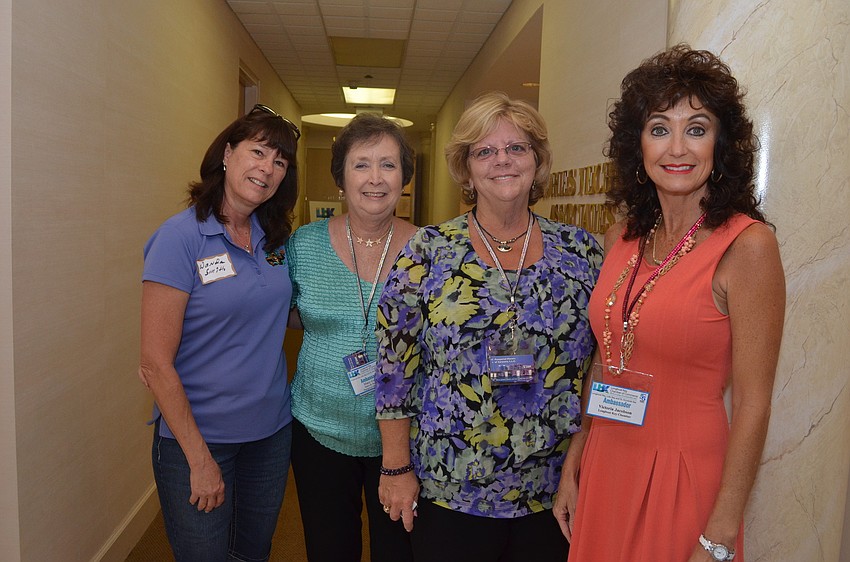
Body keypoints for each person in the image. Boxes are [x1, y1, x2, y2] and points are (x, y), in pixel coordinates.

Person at [554, 45, 785, 562]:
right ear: (637, 145)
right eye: (659, 128)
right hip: (607, 462)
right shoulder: (621, 237)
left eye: (696, 129)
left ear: (720, 144)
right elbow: (606, 355)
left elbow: (754, 405)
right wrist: (578, 455)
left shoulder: (747, 246)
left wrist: (719, 537)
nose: (677, 147)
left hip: (682, 475)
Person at [374, 91, 603, 561]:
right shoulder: (428, 251)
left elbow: (599, 364)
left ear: (537, 161)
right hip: (451, 484)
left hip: (554, 488)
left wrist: (580, 465)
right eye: (485, 151)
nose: (502, 160)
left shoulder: (581, 252)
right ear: (466, 168)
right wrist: (396, 468)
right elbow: (394, 367)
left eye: (517, 148)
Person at [139, 104, 300, 562]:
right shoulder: (180, 238)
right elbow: (154, 363)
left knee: (253, 553)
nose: (267, 168)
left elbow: (282, 312)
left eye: (280, 162)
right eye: (258, 152)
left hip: (270, 434)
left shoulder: (274, 238)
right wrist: (199, 458)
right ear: (227, 154)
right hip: (199, 436)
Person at [285, 113, 417, 562]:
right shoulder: (303, 245)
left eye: (388, 164)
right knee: (329, 550)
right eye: (361, 164)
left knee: (398, 552)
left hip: (405, 440)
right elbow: (279, 314)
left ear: (403, 178)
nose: (375, 178)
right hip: (318, 431)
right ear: (341, 178)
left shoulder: (431, 250)